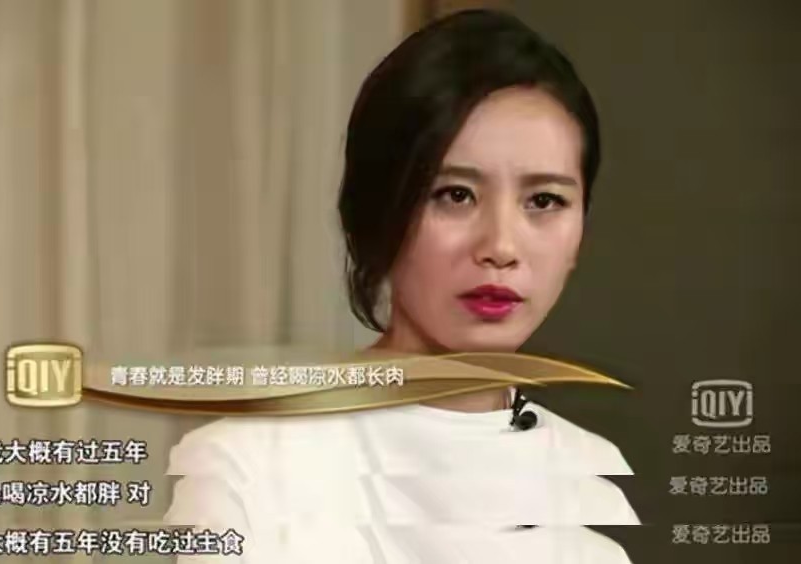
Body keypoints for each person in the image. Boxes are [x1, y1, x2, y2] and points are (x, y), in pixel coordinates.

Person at [165, 9, 638, 563]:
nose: (501, 245)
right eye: (455, 195)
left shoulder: (585, 487)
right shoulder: (248, 469)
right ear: (378, 211)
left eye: (544, 201)